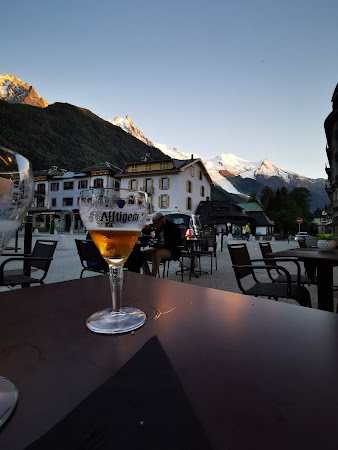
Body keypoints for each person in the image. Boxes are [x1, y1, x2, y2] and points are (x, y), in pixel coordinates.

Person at [141, 212, 182, 277]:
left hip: (171, 250)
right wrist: (146, 229)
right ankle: (148, 275)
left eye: (157, 223)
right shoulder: (157, 226)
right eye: (154, 223)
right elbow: (149, 231)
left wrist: (163, 245)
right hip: (159, 248)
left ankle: (153, 275)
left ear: (163, 220)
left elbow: (177, 242)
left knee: (156, 253)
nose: (155, 225)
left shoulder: (173, 227)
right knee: (140, 254)